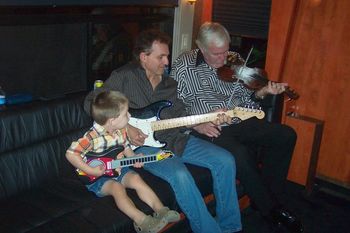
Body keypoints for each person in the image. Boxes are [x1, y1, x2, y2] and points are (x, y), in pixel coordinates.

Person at [84, 29, 242, 233]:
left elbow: (179, 115)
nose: (167, 62)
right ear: (144, 57)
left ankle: (230, 227)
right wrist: (127, 127)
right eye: (161, 57)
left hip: (173, 139)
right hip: (141, 147)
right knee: (180, 174)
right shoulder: (123, 76)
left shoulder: (169, 84)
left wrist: (200, 122)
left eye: (167, 56)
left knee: (225, 160)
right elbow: (91, 102)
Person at [170, 22, 303, 233]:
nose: (224, 58)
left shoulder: (234, 60)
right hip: (209, 126)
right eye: (217, 54)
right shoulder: (184, 66)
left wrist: (263, 92)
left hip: (238, 118)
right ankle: (273, 211)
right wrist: (198, 123)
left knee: (285, 135)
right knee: (238, 154)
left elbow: (247, 97)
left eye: (226, 51)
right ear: (201, 48)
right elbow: (174, 106)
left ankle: (267, 198)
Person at [66, 90, 180, 233]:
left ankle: (161, 210)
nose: (130, 115)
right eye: (126, 113)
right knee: (117, 188)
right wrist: (90, 170)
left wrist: (133, 158)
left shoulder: (121, 130)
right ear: (112, 120)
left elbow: (125, 147)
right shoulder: (91, 137)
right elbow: (71, 154)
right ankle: (142, 221)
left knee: (136, 178)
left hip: (117, 168)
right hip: (97, 178)